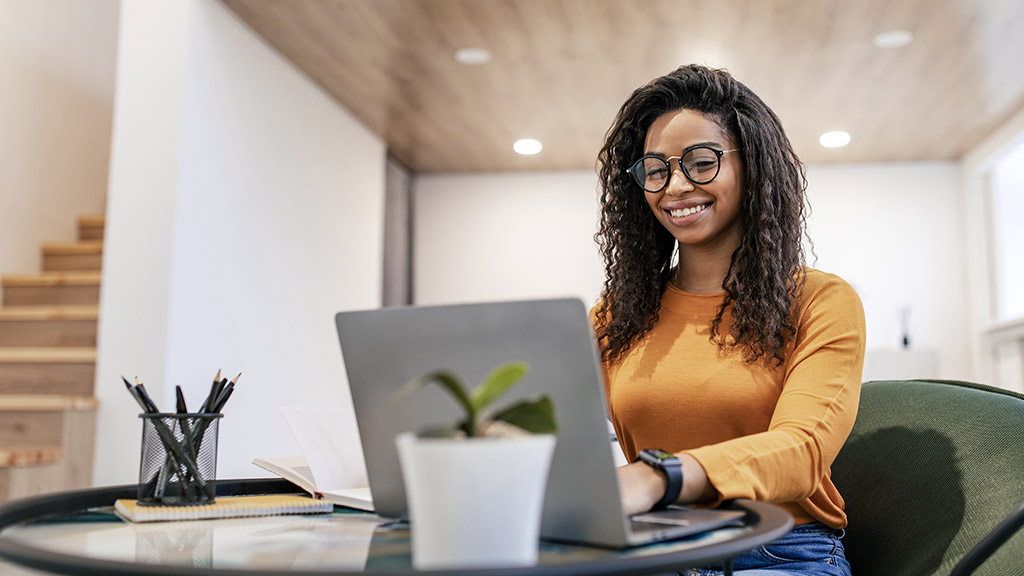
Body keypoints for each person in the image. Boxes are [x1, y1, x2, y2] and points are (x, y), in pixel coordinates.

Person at [592, 64, 866, 575]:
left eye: (701, 162)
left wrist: (661, 477)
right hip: (653, 548)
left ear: (754, 167)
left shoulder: (821, 301)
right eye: (655, 169)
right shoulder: (614, 317)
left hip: (778, 550)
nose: (674, 186)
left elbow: (803, 450)